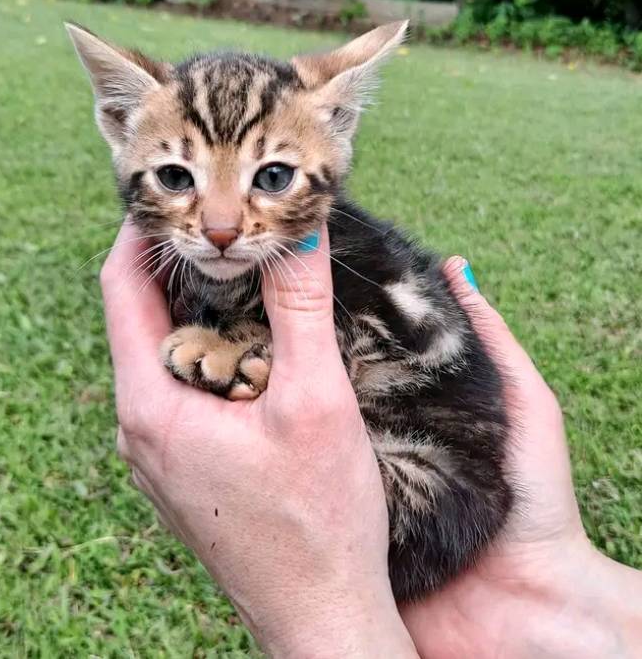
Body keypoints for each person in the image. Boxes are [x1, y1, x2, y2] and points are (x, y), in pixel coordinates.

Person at [105, 220, 642, 658]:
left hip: (435, 488)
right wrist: (548, 574)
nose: (221, 223)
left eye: (273, 176)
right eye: (175, 177)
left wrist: (322, 619)